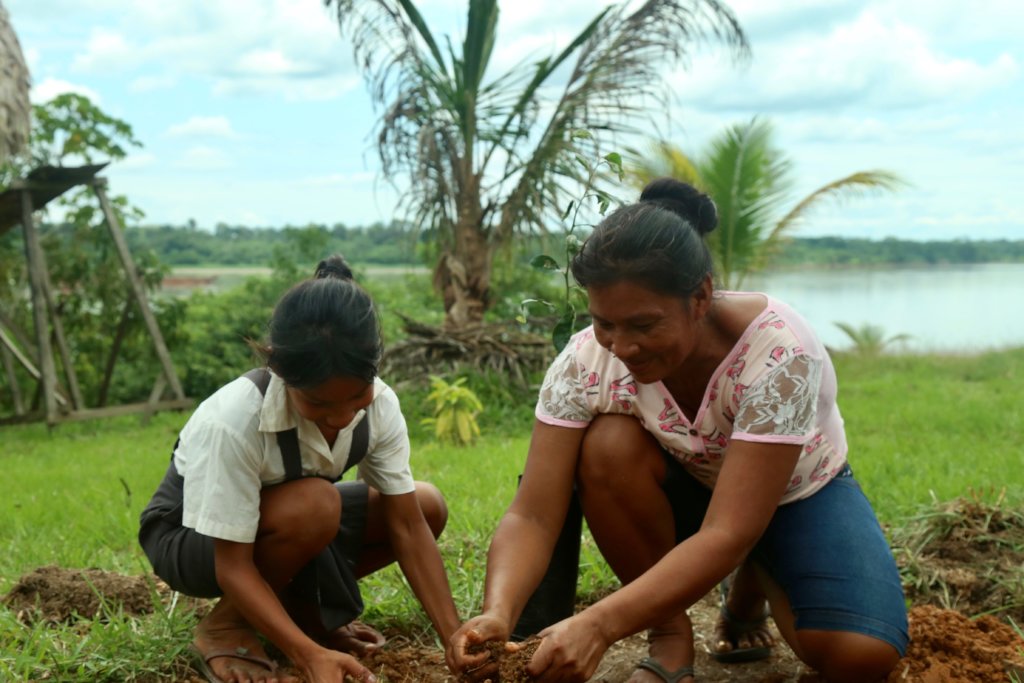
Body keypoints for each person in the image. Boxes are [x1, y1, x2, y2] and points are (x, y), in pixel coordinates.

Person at [448, 179, 908, 683]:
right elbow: (534, 514)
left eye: (644, 325)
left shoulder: (779, 355)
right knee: (607, 445)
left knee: (859, 655)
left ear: (701, 296)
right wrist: (498, 611)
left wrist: (598, 626)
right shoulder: (585, 359)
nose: (621, 347)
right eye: (605, 323)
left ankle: (751, 586)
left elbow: (727, 532)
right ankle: (669, 635)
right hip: (693, 491)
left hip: (796, 496)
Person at [139, 256, 460, 683]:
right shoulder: (235, 419)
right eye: (320, 404)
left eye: (356, 397)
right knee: (316, 504)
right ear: (280, 372)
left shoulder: (381, 405)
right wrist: (307, 655)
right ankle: (225, 626)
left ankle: (302, 610)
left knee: (426, 504)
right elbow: (230, 564)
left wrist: (455, 638)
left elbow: (407, 526)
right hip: (193, 539)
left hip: (286, 526)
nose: (342, 417)